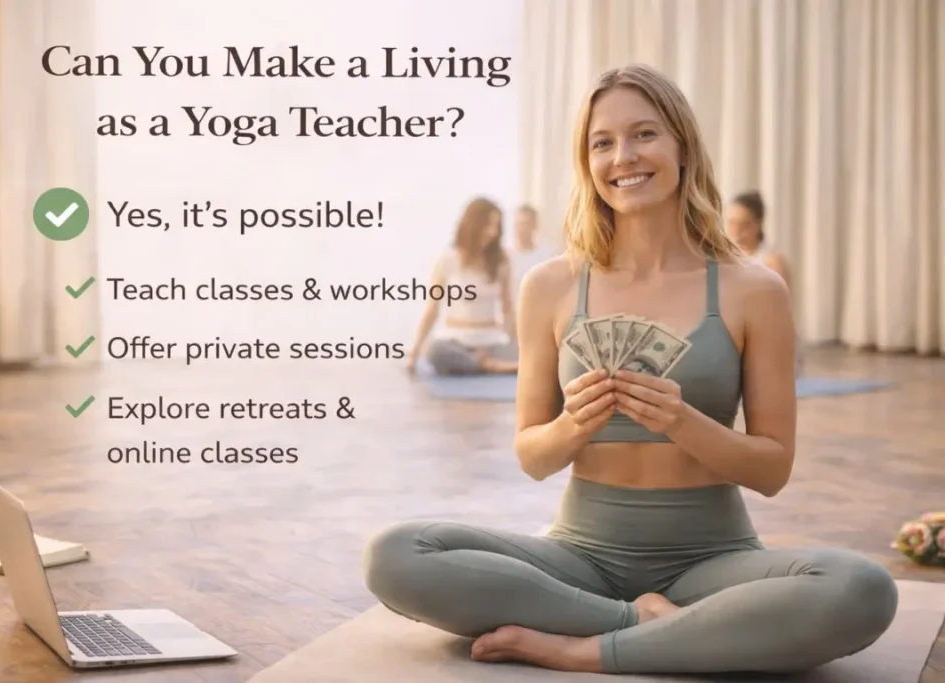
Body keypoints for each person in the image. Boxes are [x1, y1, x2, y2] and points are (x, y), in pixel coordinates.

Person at [364, 64, 897, 675]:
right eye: (603, 142)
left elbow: (772, 470)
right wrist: (573, 425)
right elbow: (533, 457)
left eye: (644, 134)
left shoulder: (753, 289)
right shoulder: (551, 285)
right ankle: (641, 626)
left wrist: (679, 421)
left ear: (682, 146)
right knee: (396, 554)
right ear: (586, 161)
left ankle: (581, 646)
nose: (624, 157)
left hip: (714, 560)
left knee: (860, 589)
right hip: (578, 556)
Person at [406, 197, 519, 376]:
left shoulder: (501, 261)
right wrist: (415, 349)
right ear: (472, 225)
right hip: (455, 341)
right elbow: (432, 309)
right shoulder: (447, 259)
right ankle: (486, 365)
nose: (492, 232)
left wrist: (520, 345)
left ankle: (482, 364)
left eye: (496, 227)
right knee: (435, 351)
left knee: (530, 354)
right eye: (487, 225)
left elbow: (508, 308)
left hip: (491, 341)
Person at [726, 191, 803, 375]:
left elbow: (779, 312)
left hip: (767, 340)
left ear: (758, 224)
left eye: (744, 224)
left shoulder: (772, 261)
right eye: (732, 223)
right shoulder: (723, 259)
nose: (737, 231)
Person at [509, 204, 553, 303]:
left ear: (534, 225)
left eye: (525, 224)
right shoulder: (507, 257)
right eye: (518, 224)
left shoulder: (547, 255)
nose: (521, 229)